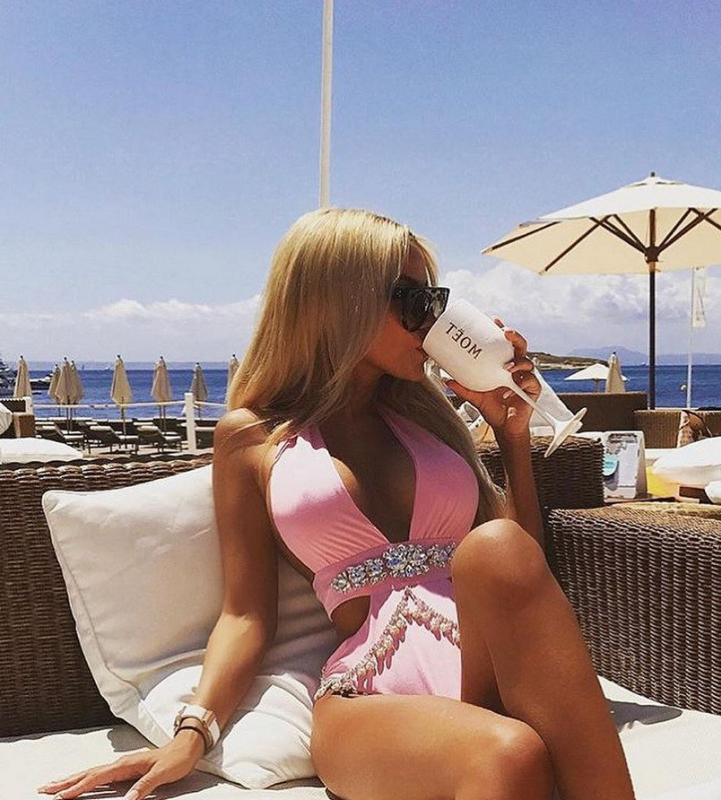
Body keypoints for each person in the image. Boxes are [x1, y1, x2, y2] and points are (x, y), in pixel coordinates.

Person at [38, 209, 635, 800]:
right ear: (340, 302)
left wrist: (511, 437)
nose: (431, 323)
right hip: (369, 694)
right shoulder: (251, 438)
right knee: (509, 753)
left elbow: (519, 576)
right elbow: (246, 615)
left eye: (435, 302)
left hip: (486, 663)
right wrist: (191, 733)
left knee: (498, 546)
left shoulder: (431, 423)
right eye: (413, 301)